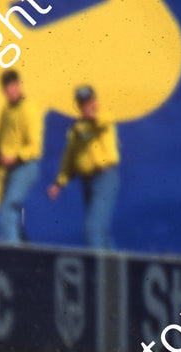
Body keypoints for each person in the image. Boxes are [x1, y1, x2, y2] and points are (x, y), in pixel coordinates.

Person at [48, 85, 121, 249]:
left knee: (93, 227)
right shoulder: (76, 129)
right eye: (82, 103)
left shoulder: (104, 117)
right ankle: (117, 271)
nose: (85, 105)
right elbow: (70, 160)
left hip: (105, 177)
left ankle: (99, 271)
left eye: (88, 101)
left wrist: (92, 116)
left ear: (94, 101)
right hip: (87, 181)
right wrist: (59, 183)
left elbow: (102, 120)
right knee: (101, 231)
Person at [0, 69, 44, 243]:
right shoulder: (6, 110)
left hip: (25, 167)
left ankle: (14, 254)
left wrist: (15, 157)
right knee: (8, 214)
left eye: (13, 87)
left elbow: (34, 147)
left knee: (8, 210)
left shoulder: (29, 109)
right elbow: (0, 138)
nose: (10, 91)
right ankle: (22, 250)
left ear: (19, 85)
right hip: (9, 170)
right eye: (7, 88)